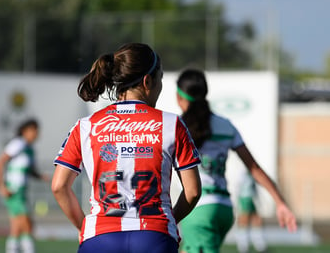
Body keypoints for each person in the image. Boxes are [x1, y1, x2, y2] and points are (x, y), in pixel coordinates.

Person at [51, 43, 202, 253]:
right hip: (154, 238)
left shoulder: (86, 126)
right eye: (161, 79)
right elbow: (193, 191)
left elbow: (59, 186)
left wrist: (82, 226)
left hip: (100, 238)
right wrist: (166, 222)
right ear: (148, 81)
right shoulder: (172, 124)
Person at [176, 69, 297, 253]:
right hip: (224, 208)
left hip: (198, 210)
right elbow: (254, 167)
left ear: (180, 97)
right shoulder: (226, 125)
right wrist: (280, 202)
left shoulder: (177, 126)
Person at [0, 118, 50, 253]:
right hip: (13, 190)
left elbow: (30, 170)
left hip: (22, 191)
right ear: (26, 131)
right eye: (34, 130)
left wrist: (41, 176)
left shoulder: (30, 149)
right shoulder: (18, 144)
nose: (37, 134)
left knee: (17, 227)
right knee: (26, 224)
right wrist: (1, 186)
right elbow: (0, 162)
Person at [235, 172, 268, 253]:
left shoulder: (252, 174)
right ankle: (243, 246)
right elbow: (239, 188)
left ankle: (260, 245)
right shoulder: (242, 175)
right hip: (245, 199)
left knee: (256, 221)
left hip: (252, 199)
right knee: (244, 221)